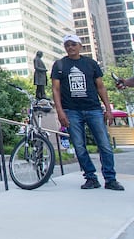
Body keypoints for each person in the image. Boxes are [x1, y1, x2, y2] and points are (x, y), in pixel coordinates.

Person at [51, 34, 124, 191]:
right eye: (67, 45)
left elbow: (100, 87)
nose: (70, 47)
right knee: (79, 146)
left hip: (93, 109)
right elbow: (55, 89)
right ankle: (90, 177)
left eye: (73, 44)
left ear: (80, 46)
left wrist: (108, 109)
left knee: (104, 145)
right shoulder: (59, 65)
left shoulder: (91, 64)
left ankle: (110, 179)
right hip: (71, 110)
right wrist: (60, 111)